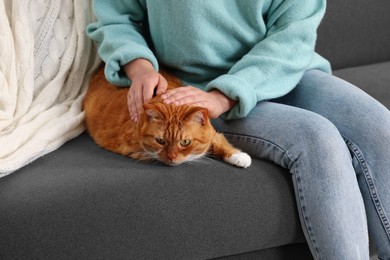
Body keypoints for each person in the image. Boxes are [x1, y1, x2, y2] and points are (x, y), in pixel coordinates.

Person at [87, 1, 390, 259]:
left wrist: (227, 94)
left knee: (380, 127)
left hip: (283, 67)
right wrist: (140, 67)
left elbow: (294, 35)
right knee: (318, 139)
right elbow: (115, 15)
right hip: (192, 91)